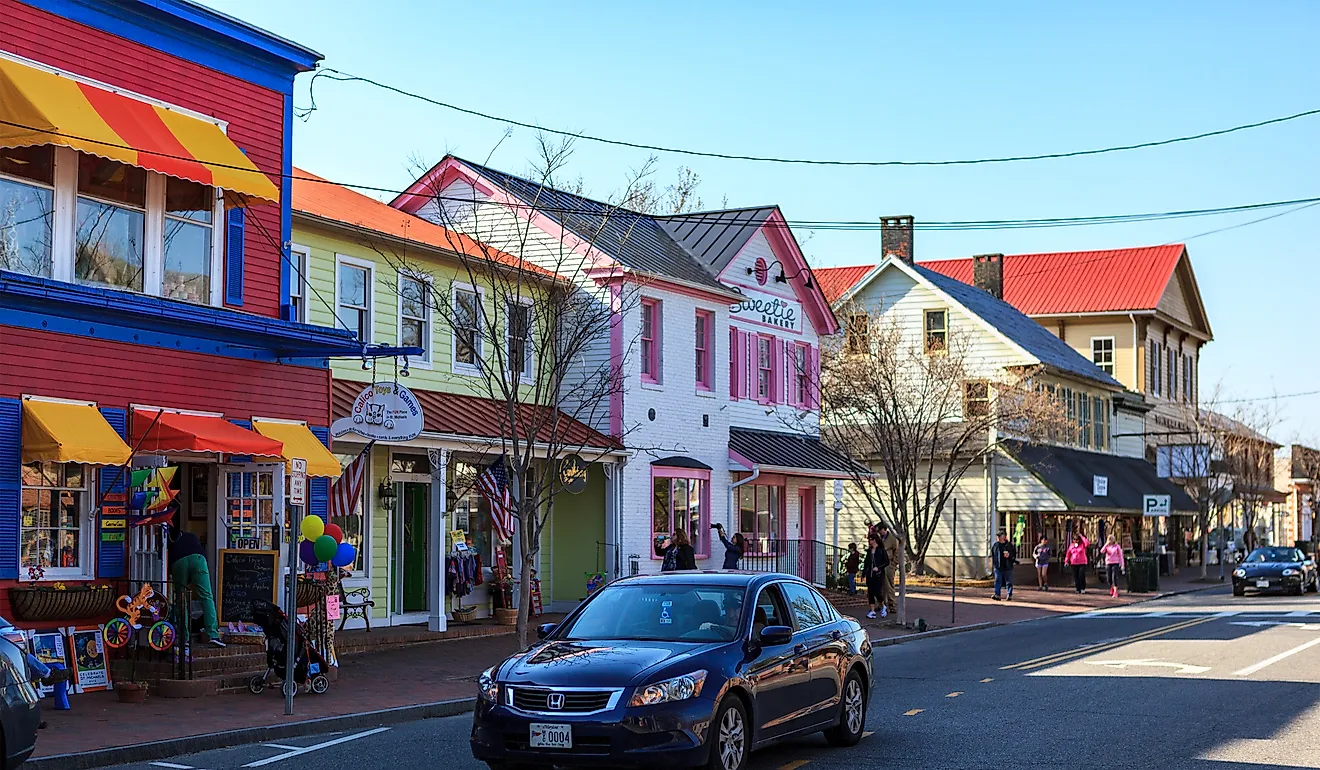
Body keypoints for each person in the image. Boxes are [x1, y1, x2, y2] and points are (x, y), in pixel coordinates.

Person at [168, 521, 224, 647]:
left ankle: (184, 638)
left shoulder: (170, 543)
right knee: (206, 597)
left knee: (181, 600)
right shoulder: (190, 536)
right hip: (198, 559)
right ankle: (213, 635)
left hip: (179, 561)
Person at [876, 522, 901, 616]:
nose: (879, 533)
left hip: (889, 564)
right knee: (879, 585)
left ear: (884, 529)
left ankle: (892, 605)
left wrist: (894, 564)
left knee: (889, 585)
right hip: (880, 564)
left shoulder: (892, 538)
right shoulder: (879, 538)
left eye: (880, 530)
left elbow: (897, 551)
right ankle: (881, 604)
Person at [863, 533, 889, 619]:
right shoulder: (869, 551)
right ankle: (872, 611)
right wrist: (863, 573)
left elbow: (886, 562)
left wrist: (878, 567)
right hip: (869, 575)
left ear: (874, 540)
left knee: (877, 592)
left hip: (878, 575)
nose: (869, 542)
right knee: (870, 593)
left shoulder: (881, 550)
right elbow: (866, 563)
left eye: (870, 540)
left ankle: (883, 606)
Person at [990, 530, 1017, 601]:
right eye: (997, 536)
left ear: (1004, 536)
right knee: (997, 580)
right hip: (998, 566)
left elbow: (1014, 555)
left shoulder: (1009, 545)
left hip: (1008, 566)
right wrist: (994, 564)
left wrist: (1009, 556)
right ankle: (997, 594)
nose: (998, 537)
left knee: (1009, 581)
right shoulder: (995, 545)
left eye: (1000, 536)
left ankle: (1009, 594)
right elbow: (993, 555)